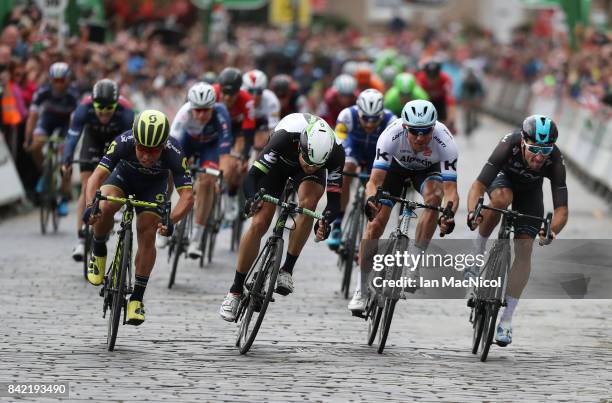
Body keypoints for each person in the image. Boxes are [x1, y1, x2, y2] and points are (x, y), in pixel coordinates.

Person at [218, 113, 345, 321]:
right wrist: (252, 199)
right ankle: (235, 291)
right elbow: (252, 177)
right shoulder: (284, 138)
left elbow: (333, 201)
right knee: (259, 222)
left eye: (316, 165)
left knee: (309, 204)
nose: (310, 167)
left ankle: (286, 269)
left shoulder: (336, 153)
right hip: (278, 166)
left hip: (306, 179)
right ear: (300, 148)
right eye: (308, 162)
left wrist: (326, 221)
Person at [83, 110, 194, 325]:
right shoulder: (124, 141)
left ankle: (137, 298)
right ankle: (98, 250)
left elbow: (188, 197)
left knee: (147, 229)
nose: (145, 156)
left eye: (153, 151)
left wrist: (172, 219)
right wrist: (90, 206)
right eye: (141, 149)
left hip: (153, 187)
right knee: (106, 204)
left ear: (163, 146)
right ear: (135, 142)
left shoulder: (174, 151)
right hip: (123, 178)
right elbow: (96, 176)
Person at [466, 115, 568, 346]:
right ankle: (477, 251)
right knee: (501, 198)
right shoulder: (508, 145)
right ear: (523, 141)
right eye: (534, 149)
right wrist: (473, 212)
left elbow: (562, 209)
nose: (540, 156)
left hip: (530, 193)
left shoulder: (555, 159)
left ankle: (506, 320)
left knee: (524, 250)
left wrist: (552, 230)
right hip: (503, 182)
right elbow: (478, 186)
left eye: (545, 149)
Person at [349, 100, 459, 312]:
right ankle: (361, 289)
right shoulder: (390, 136)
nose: (420, 138)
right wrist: (372, 199)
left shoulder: (446, 142)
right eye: (415, 132)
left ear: (434, 127)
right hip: (394, 171)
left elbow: (451, 190)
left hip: (427, 172)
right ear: (405, 127)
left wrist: (449, 214)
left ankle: (414, 265)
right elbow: (374, 181)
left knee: (435, 198)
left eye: (426, 132)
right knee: (375, 225)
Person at [62, 79, 134, 261]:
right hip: (92, 140)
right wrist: (67, 160)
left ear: (116, 105)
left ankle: (113, 209)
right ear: (92, 103)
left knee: (116, 175)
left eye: (108, 109)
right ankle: (81, 238)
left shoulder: (126, 112)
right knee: (87, 185)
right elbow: (72, 136)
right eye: (99, 108)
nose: (103, 113)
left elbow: (129, 145)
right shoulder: (83, 108)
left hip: (117, 140)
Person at [327, 88, 397, 249]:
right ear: (359, 112)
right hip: (354, 147)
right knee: (346, 170)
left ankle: (369, 231)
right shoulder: (346, 116)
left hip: (377, 152)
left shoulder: (391, 120)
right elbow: (339, 144)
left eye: (375, 119)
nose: (370, 124)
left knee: (378, 184)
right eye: (365, 119)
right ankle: (337, 225)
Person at [173, 82, 233, 258]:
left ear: (213, 107)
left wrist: (221, 177)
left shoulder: (222, 114)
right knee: (169, 170)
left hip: (210, 147)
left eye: (205, 110)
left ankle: (197, 238)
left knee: (207, 180)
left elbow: (225, 155)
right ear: (190, 107)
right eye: (197, 110)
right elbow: (171, 144)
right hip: (187, 142)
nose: (200, 114)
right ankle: (165, 215)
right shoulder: (183, 114)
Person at [25, 62, 79, 216]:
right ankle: (45, 174)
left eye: (62, 80)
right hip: (47, 121)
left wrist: (69, 143)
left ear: (68, 80)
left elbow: (74, 121)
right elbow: (33, 116)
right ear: (50, 80)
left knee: (66, 163)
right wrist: (28, 137)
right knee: (35, 145)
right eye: (55, 80)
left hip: (65, 124)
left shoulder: (73, 94)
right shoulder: (43, 91)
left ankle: (63, 198)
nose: (59, 84)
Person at [213, 67, 256, 220]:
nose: (227, 98)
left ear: (239, 91)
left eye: (232, 95)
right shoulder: (213, 93)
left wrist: (244, 156)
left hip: (238, 131)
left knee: (236, 161)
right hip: (218, 127)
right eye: (224, 93)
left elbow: (249, 133)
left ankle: (231, 193)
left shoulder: (247, 100)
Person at [242, 69, 280, 153]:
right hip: (244, 124)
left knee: (260, 143)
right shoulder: (240, 98)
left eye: (258, 92)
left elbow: (273, 131)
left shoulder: (271, 100)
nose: (254, 96)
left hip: (262, 124)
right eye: (251, 91)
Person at [415, 61, 456, 132]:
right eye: (430, 77)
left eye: (434, 77)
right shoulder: (420, 79)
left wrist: (451, 121)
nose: (432, 80)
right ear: (425, 75)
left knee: (445, 124)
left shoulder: (445, 79)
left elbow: (450, 101)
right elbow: (417, 100)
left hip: (441, 102)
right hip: (426, 100)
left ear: (439, 74)